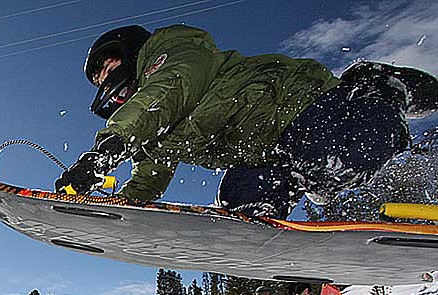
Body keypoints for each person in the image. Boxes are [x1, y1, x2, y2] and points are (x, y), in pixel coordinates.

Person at [54, 24, 438, 218]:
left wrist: (103, 152)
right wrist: (117, 209)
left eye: (108, 66)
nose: (106, 80)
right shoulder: (154, 131)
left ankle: (383, 88)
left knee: (329, 165)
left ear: (130, 49)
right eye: (99, 81)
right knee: (238, 203)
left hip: (296, 104)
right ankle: (272, 221)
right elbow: (151, 175)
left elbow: (170, 90)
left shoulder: (169, 52)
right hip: (272, 153)